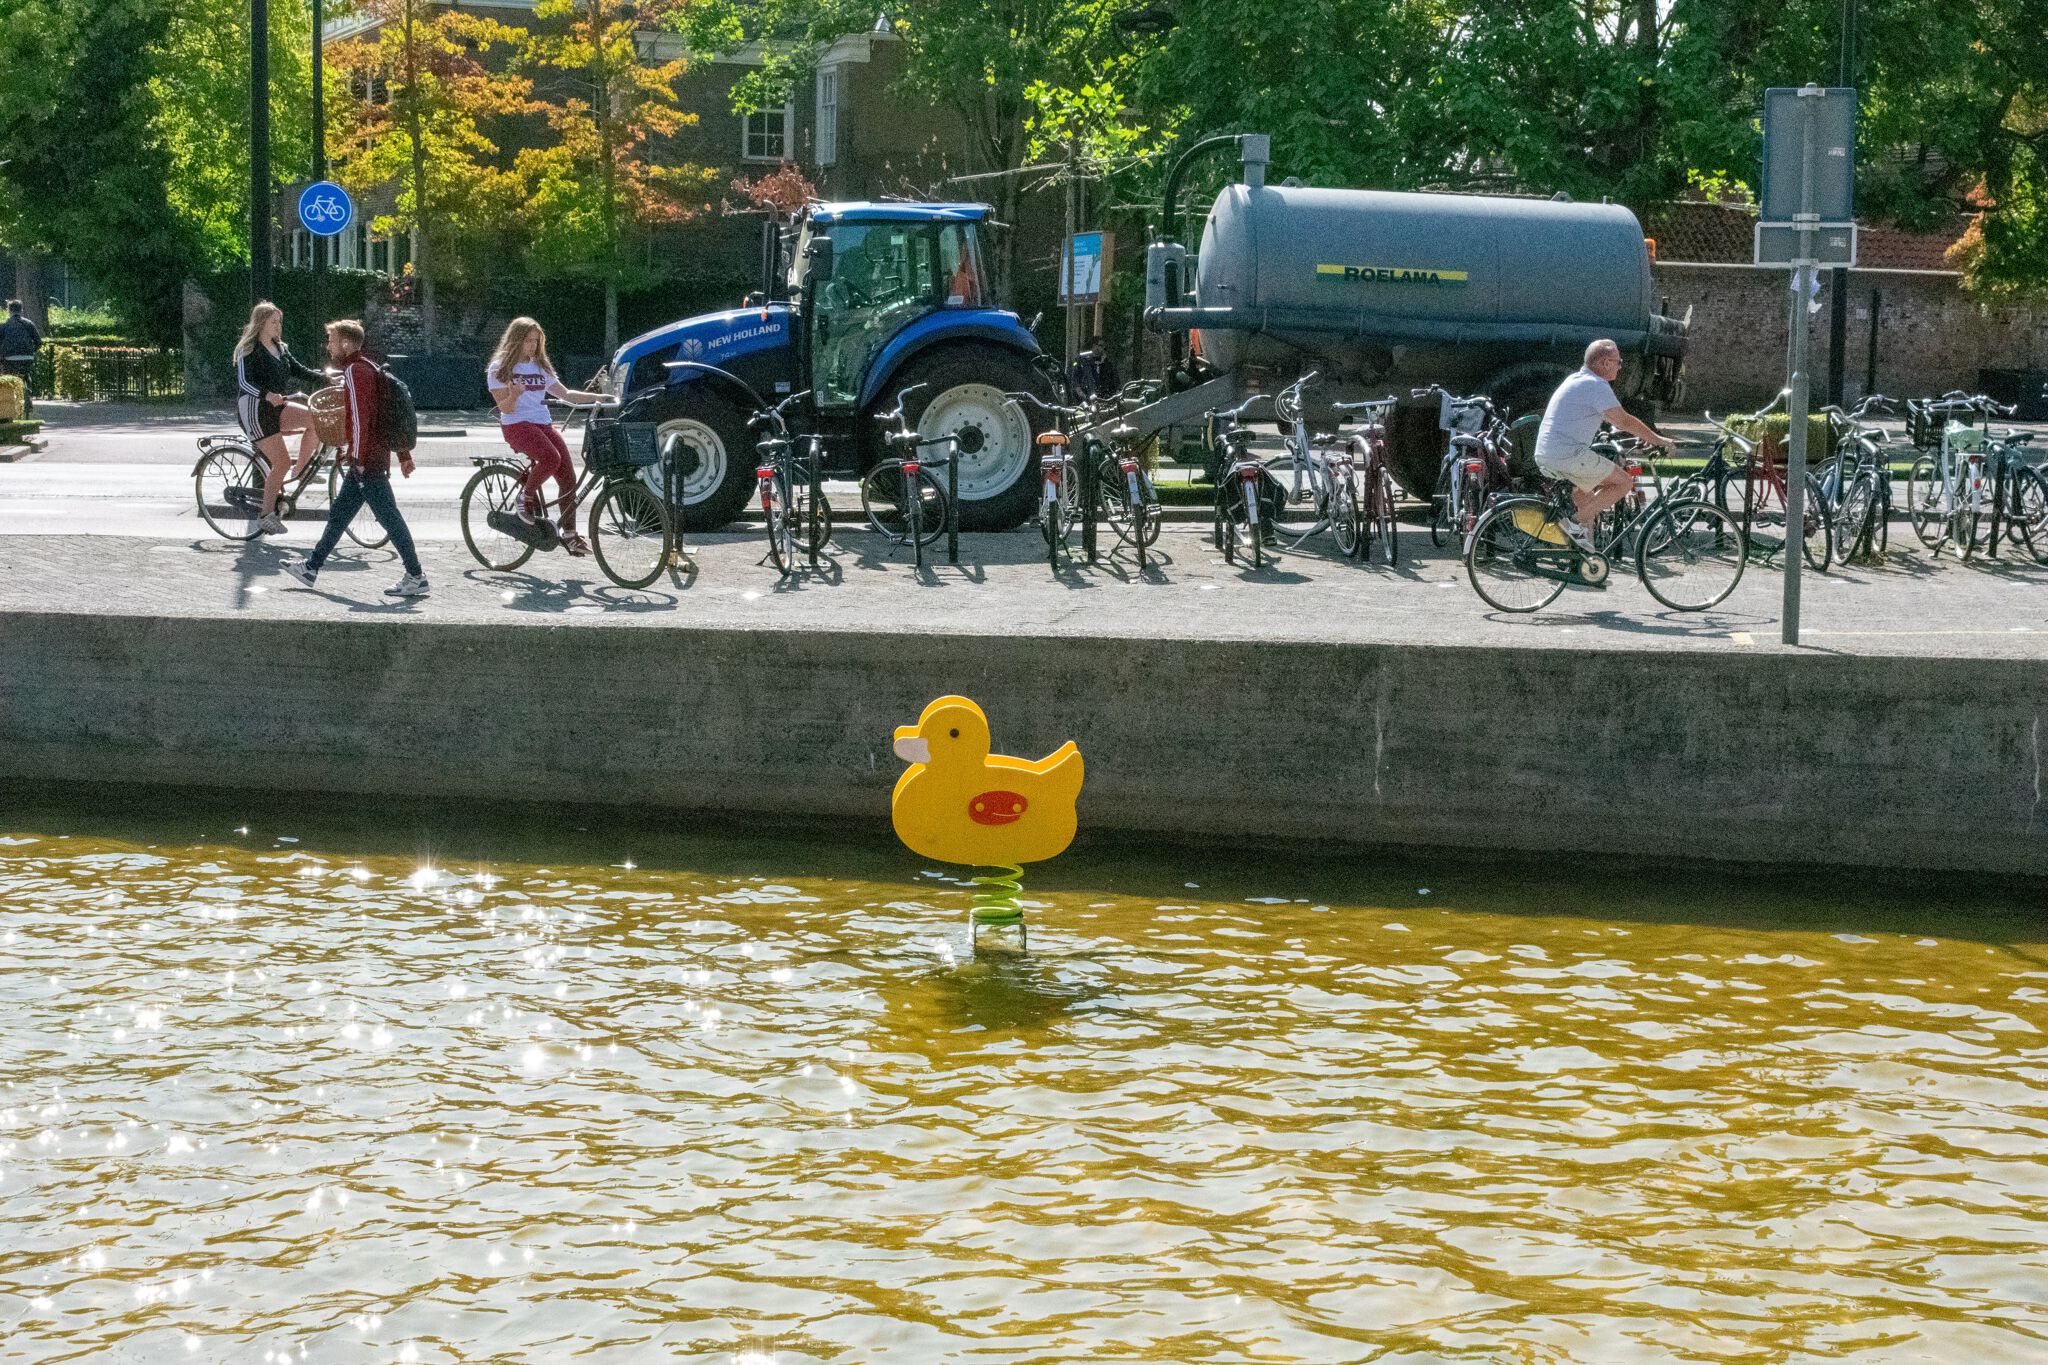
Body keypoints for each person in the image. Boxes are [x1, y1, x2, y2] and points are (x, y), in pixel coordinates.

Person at [282, 321, 428, 597]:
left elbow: (361, 420)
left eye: (332, 340)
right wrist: (402, 454)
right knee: (339, 514)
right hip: (370, 457)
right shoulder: (369, 368)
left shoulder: (354, 371)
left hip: (367, 462)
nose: (328, 346)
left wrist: (358, 458)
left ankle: (416, 575)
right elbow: (386, 415)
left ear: (346, 344)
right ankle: (311, 567)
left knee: (389, 518)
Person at [1532, 338, 1674, 549]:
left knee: (1586, 498)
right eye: (1618, 361)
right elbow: (1623, 420)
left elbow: (1610, 420)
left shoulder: (1576, 379)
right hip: (1568, 454)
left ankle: (1586, 560)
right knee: (1624, 482)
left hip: (1548, 453)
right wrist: (1658, 439)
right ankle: (1573, 523)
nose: (1620, 365)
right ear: (1606, 363)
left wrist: (1638, 435)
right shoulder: (1596, 385)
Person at [485, 317, 608, 556]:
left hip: (543, 425)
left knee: (568, 477)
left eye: (536, 341)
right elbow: (505, 409)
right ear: (515, 340)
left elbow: (565, 394)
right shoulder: (500, 368)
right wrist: (514, 394)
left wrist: (598, 398)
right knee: (551, 459)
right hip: (517, 425)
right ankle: (525, 497)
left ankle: (570, 535)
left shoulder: (539, 366)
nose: (532, 346)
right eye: (528, 341)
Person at [232, 301, 328, 535]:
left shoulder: (280, 348)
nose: (278, 326)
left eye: (279, 322)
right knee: (281, 462)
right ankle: (265, 515)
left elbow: (300, 370)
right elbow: (244, 383)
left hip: (277, 406)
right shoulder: (249, 349)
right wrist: (266, 395)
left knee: (316, 420)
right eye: (273, 322)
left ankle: (300, 471)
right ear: (261, 323)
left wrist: (328, 379)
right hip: (256, 410)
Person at [0, 300, 42, 416]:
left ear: (9, 311)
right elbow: (39, 342)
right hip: (27, 357)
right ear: (21, 310)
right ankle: (29, 393)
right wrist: (31, 352)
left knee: (10, 379)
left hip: (10, 358)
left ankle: (12, 403)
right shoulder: (29, 324)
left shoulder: (4, 325)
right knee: (26, 374)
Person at [1070, 337, 1119, 402]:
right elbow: (1075, 380)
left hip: (1105, 400)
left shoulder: (1108, 363)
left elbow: (1115, 382)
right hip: (1086, 400)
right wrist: (1081, 394)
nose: (1097, 348)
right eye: (1095, 345)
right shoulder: (1082, 362)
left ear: (1103, 347)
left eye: (1100, 346)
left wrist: (1116, 394)